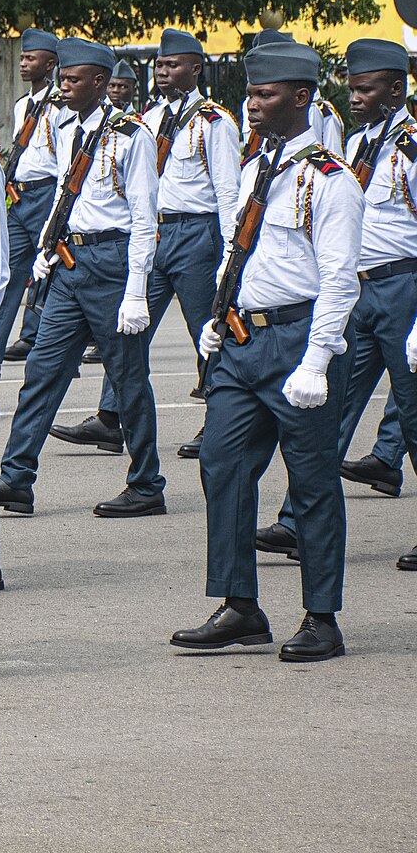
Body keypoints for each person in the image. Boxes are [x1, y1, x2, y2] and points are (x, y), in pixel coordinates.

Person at [175, 37, 361, 663]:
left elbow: (338, 278)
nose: (251, 105)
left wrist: (318, 357)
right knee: (221, 464)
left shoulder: (329, 182)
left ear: (301, 98)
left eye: (264, 94)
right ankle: (240, 604)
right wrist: (218, 317)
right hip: (242, 341)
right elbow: (240, 250)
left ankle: (321, 616)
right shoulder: (260, 168)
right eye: (249, 93)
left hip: (297, 342)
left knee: (311, 483)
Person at [255, 38, 417, 570]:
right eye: (351, 89)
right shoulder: (357, 145)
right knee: (331, 409)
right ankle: (296, 523)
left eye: (366, 90)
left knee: (414, 415)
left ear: (397, 88)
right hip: (358, 292)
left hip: (402, 290)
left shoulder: (411, 147)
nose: (355, 98)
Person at [0, 37, 163, 518]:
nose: (63, 86)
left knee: (129, 380)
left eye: (72, 80)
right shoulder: (70, 129)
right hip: (71, 264)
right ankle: (16, 477)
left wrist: (136, 291)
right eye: (62, 78)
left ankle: (147, 482)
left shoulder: (133, 135)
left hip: (112, 264)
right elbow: (65, 196)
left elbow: (143, 217)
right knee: (41, 373)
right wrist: (47, 246)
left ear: (99, 82)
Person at [61, 30, 238, 456]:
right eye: (159, 64)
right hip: (152, 233)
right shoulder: (150, 118)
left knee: (206, 331)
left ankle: (219, 420)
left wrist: (231, 253)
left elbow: (228, 193)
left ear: (195, 69)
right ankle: (110, 416)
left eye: (172, 64)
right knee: (125, 327)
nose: (162, 71)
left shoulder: (214, 121)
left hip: (195, 234)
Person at [0, 29, 62, 402]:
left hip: (48, 195)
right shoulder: (21, 106)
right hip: (21, 198)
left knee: (49, 285)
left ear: (50, 64)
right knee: (3, 289)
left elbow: (63, 165)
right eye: (23, 57)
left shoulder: (61, 108)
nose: (24, 63)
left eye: (32, 58)